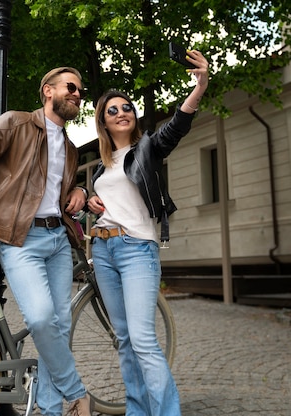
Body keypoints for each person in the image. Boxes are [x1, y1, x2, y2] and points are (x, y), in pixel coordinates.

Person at [0, 67, 92, 416]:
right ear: (48, 91)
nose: (77, 94)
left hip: (57, 240)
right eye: (71, 87)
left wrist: (78, 189)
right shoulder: (15, 123)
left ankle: (49, 410)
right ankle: (76, 392)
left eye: (81, 91)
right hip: (19, 239)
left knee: (56, 329)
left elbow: (53, 190)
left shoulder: (72, 148)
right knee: (42, 320)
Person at [86, 49, 210, 415]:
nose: (122, 112)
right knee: (123, 340)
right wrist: (92, 200)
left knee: (142, 340)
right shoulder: (101, 167)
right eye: (113, 110)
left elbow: (177, 125)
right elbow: (104, 199)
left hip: (137, 248)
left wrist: (200, 86)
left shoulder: (148, 148)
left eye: (127, 107)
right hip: (103, 253)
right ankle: (138, 411)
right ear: (103, 123)